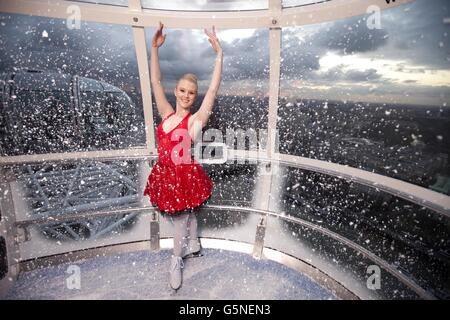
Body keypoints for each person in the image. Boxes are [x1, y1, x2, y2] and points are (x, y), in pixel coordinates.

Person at [143, 22, 223, 290]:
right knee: (186, 213)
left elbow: (212, 91)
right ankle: (195, 243)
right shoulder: (166, 113)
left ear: (194, 96)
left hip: (183, 173)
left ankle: (176, 259)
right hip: (165, 172)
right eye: (182, 90)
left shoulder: (194, 121)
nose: (187, 95)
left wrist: (219, 55)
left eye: (191, 92)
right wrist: (154, 48)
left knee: (180, 219)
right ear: (176, 91)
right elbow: (154, 81)